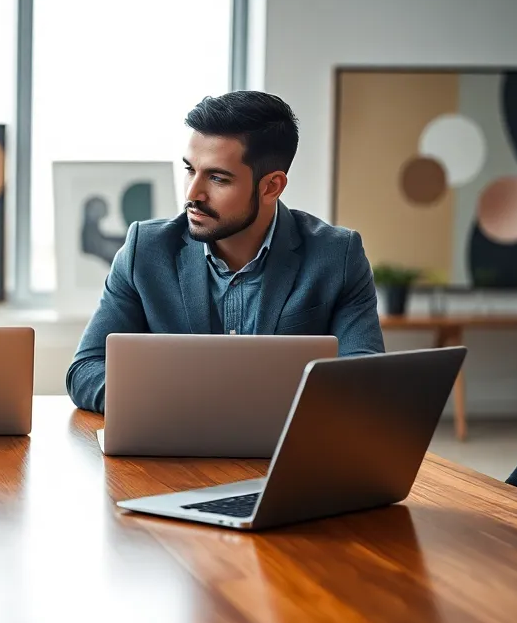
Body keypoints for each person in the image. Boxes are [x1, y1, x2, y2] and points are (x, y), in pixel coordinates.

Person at [67, 91, 384, 413]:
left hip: (286, 441)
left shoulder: (337, 255)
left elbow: (365, 381)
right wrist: (172, 406)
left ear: (271, 186)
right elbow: (86, 369)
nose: (193, 194)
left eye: (217, 178)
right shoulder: (146, 249)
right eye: (190, 170)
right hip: (174, 436)